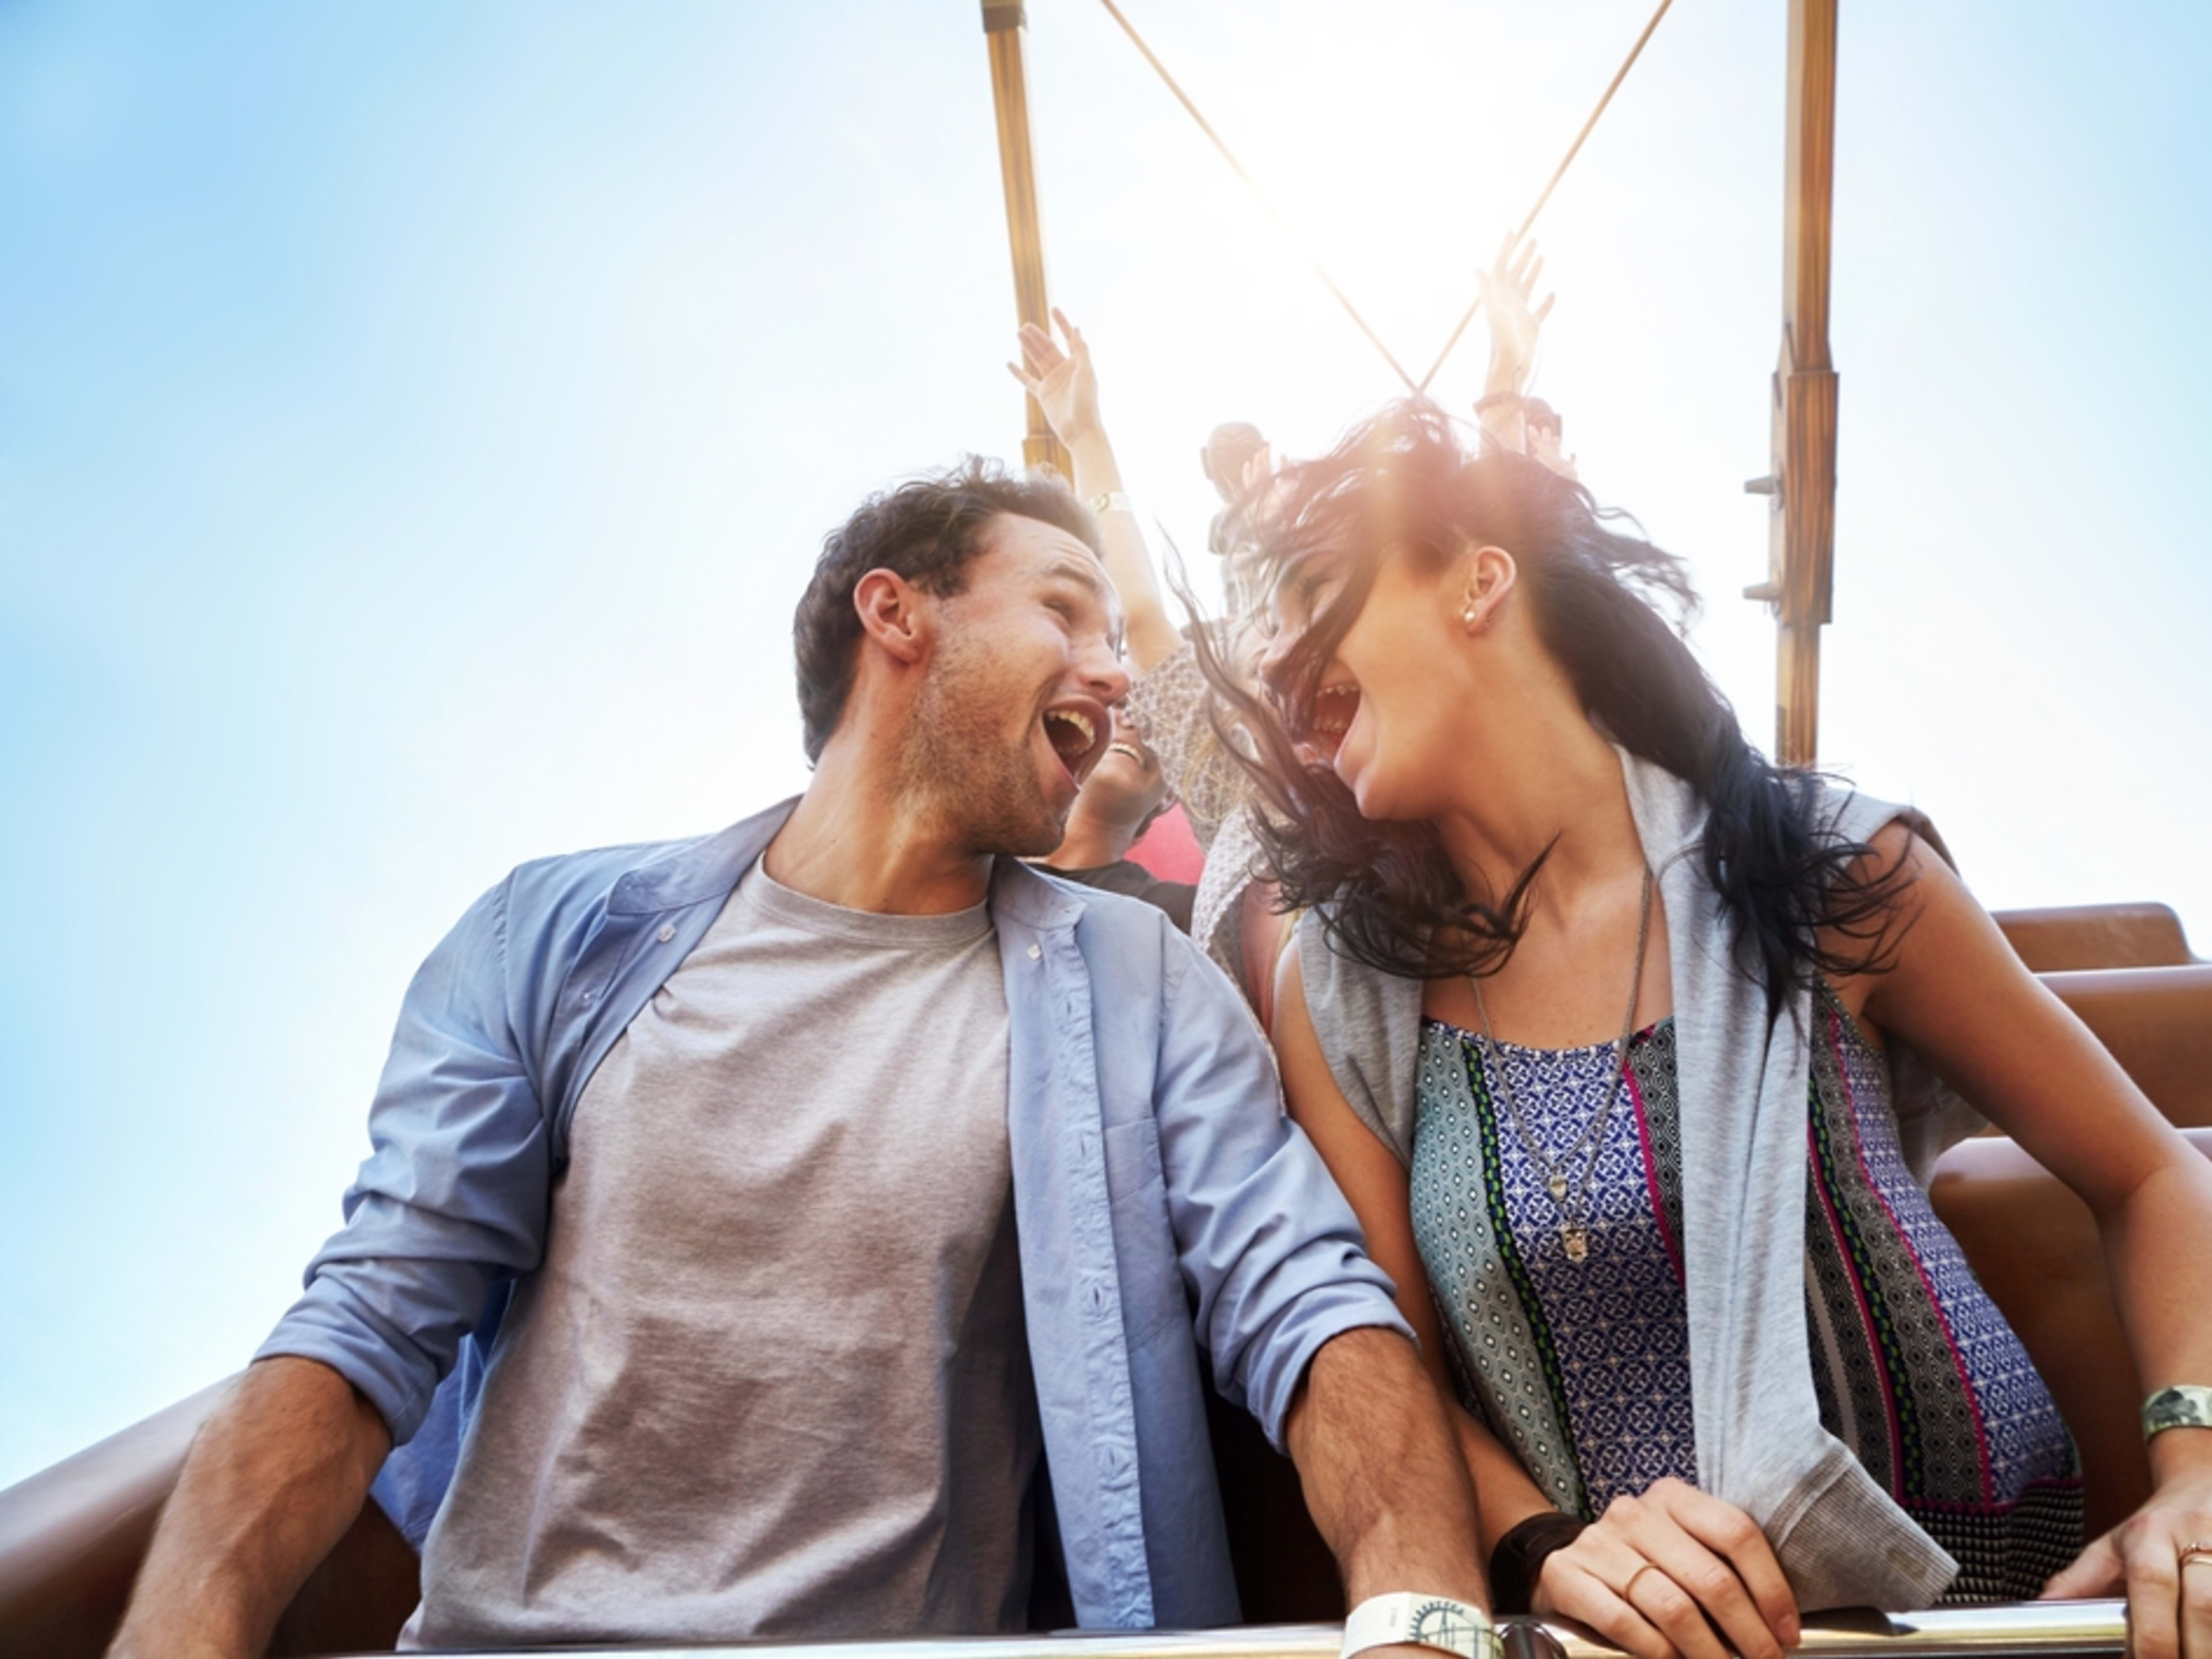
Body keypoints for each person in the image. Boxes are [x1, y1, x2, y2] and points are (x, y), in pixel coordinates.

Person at [107, 462, 1494, 1657]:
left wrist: (1424, 1613)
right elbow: (366, 1324)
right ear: (894, 612)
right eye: (1064, 607)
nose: (1117, 668)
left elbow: (1310, 1307)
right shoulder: (551, 934)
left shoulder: (1140, 986)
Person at [1207, 406, 2212, 1659]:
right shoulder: (1341, 994)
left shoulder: (1826, 862)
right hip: (1651, 1643)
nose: (1278, 655)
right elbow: (1391, 1365)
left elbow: (2154, 1171)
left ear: (1478, 576)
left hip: (2001, 1620)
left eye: (1313, 588)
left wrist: (2194, 1472)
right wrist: (1549, 1546)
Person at [1007, 234, 1564, 1023]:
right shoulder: (1238, 790)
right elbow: (1139, 603)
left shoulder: (1430, 773)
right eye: (1268, 637)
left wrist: (1502, 390)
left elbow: (1511, 584)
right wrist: (1089, 441)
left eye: (1320, 620)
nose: (1284, 658)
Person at [1038, 707, 1195, 931]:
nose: (1137, 723)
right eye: (1120, 703)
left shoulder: (1183, 917)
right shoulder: (981, 864)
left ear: (1171, 795)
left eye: (1163, 724)